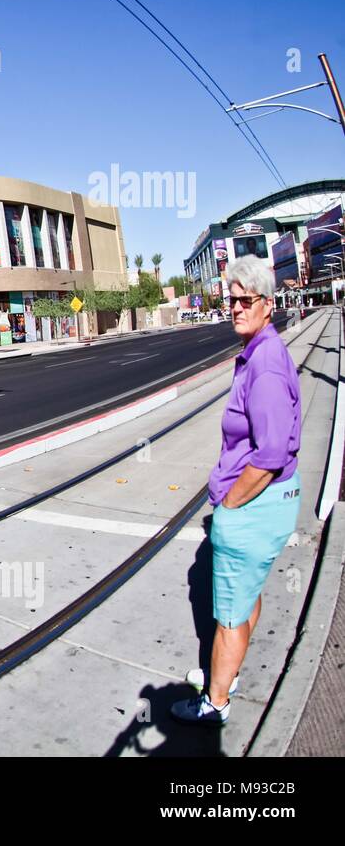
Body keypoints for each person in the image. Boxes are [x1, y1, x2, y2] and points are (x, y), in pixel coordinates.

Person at [172, 256, 301, 727]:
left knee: (227, 615)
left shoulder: (264, 366)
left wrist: (229, 504)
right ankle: (231, 672)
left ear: (268, 305)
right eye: (232, 299)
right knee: (247, 595)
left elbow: (268, 455)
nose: (236, 307)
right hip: (271, 507)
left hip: (253, 507)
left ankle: (216, 702)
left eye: (246, 300)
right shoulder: (262, 350)